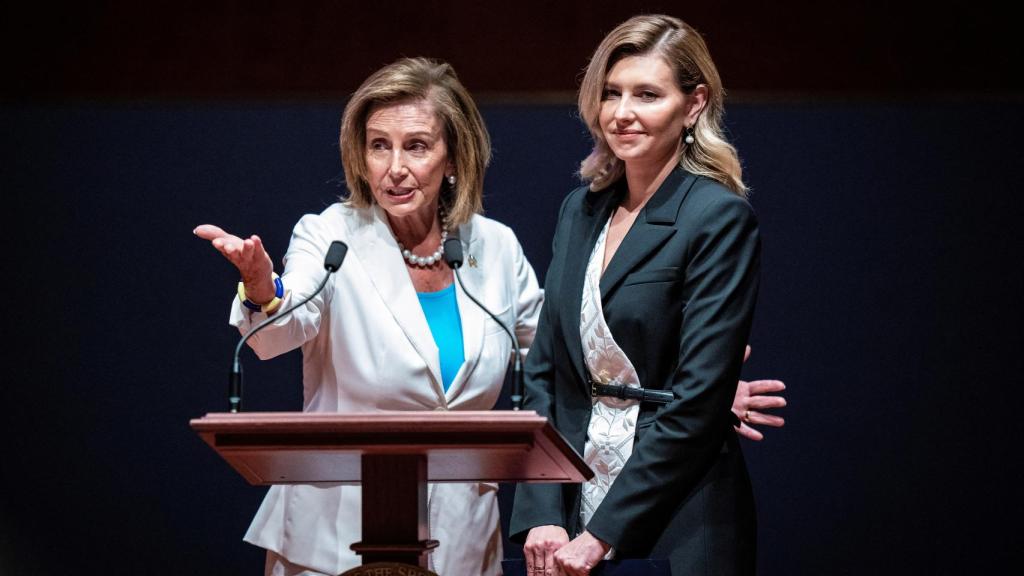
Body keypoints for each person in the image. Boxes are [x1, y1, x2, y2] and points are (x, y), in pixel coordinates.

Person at [195, 57, 544, 576]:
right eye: (379, 145)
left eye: (417, 146)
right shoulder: (330, 234)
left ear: (454, 159)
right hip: (335, 544)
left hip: (464, 544)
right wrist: (263, 288)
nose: (394, 167)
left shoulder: (494, 247)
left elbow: (549, 356)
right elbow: (287, 322)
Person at [511, 14, 765, 576]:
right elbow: (544, 371)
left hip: (682, 514)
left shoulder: (717, 218)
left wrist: (601, 534)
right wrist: (541, 513)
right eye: (611, 93)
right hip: (569, 509)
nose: (622, 112)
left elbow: (700, 403)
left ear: (694, 104)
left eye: (647, 94)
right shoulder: (578, 211)